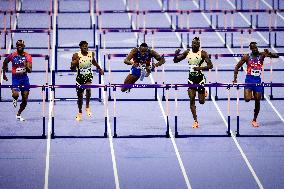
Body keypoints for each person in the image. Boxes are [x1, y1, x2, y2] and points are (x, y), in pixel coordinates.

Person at [233, 42, 279, 127]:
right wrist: (235, 79)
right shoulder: (246, 57)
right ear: (251, 49)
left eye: (256, 48)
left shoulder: (262, 55)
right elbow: (237, 67)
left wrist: (269, 53)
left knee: (258, 101)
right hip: (249, 80)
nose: (255, 49)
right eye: (253, 48)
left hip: (258, 81)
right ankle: (251, 94)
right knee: (247, 99)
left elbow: (277, 56)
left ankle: (254, 120)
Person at [173, 37, 213, 128]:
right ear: (191, 44)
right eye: (193, 43)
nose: (194, 45)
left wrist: (200, 68)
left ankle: (205, 91)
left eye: (196, 44)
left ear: (199, 45)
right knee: (191, 100)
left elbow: (210, 66)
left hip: (200, 80)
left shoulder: (203, 53)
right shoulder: (187, 52)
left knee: (201, 102)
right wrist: (175, 55)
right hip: (191, 80)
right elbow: (175, 61)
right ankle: (195, 121)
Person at [70, 41, 104, 121]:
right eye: (84, 47)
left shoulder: (91, 54)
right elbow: (72, 69)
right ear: (80, 47)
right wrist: (75, 63)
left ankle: (87, 106)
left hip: (88, 76)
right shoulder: (76, 55)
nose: (86, 48)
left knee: (88, 89)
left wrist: (99, 69)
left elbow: (93, 62)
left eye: (87, 46)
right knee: (80, 97)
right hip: (80, 77)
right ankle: (80, 112)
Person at [2, 40, 32, 121]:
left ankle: (18, 114)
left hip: (24, 78)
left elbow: (30, 70)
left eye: (21, 45)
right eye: (18, 45)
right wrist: (4, 73)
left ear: (23, 46)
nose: (19, 46)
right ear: (16, 46)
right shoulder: (12, 55)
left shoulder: (28, 56)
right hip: (15, 78)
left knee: (25, 99)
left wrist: (26, 66)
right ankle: (14, 98)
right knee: (16, 94)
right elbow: (5, 62)